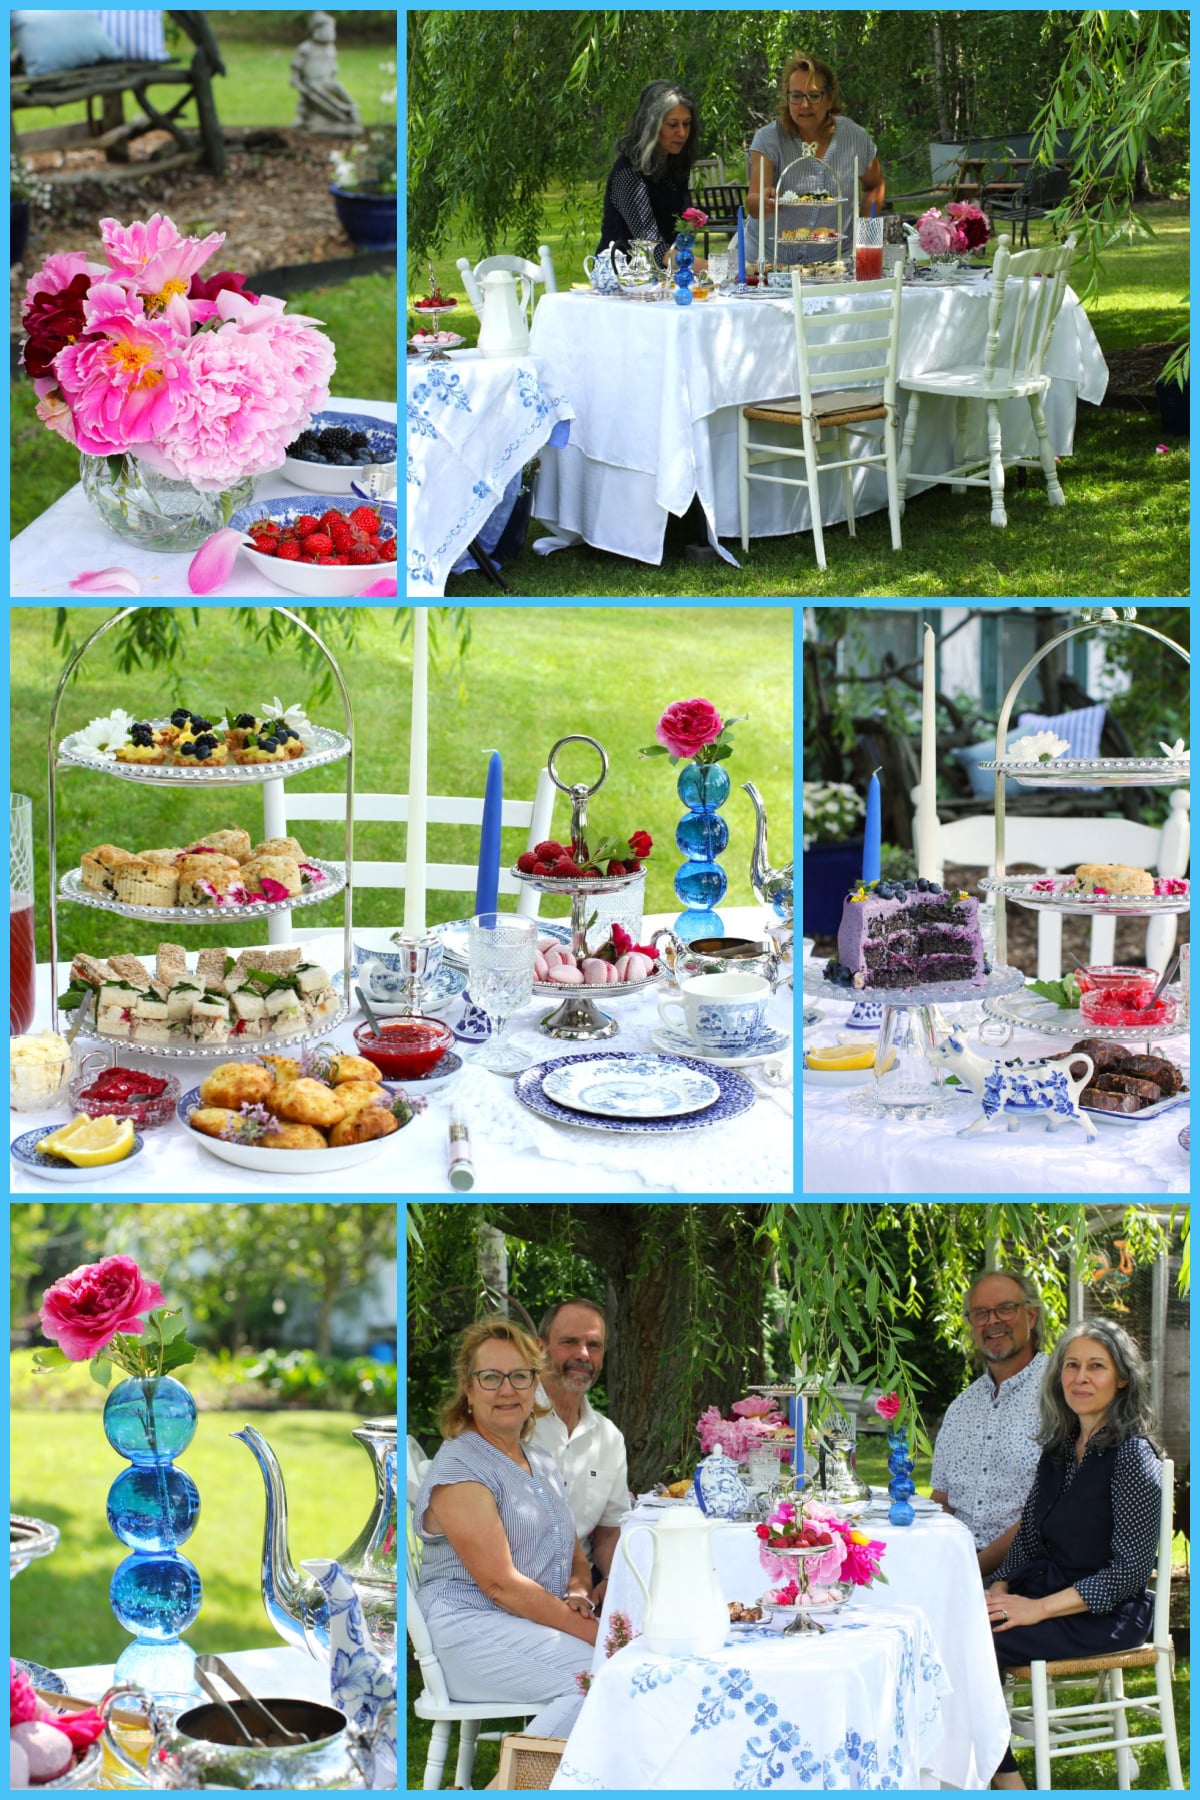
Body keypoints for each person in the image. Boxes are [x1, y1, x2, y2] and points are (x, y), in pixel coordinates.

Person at [985, 1319, 1164, 1790]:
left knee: (974, 1645)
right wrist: (1000, 1586)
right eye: (1072, 1366)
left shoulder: (1133, 1457)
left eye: (1096, 1367)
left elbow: (1128, 1573)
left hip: (1105, 1612)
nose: (1080, 1378)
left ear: (1122, 1378)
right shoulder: (1061, 1450)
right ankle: (966, 1767)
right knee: (953, 1622)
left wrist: (1034, 1609)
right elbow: (1029, 1539)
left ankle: (1004, 1781)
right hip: (1047, 1591)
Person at [412, 1318, 598, 1741]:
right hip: (467, 1632)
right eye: (491, 1377)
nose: (507, 1389)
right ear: (468, 1387)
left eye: (519, 1376)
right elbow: (501, 1586)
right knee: (599, 1679)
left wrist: (578, 1594)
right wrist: (597, 1635)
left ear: (536, 1384)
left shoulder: (541, 1461)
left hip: (527, 1625)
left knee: (621, 1671)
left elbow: (572, 1555)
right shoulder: (461, 1467)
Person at [931, 1271, 1048, 1575]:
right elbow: (941, 1500)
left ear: (1031, 1316)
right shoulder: (961, 1408)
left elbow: (1050, 1511)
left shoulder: (1061, 1396)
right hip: (957, 1567)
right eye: (981, 1313)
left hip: (1031, 1577)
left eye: (1006, 1309)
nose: (993, 1321)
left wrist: (971, 1570)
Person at [530, 1299, 629, 1605]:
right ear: (540, 1347)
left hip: (582, 1593)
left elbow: (608, 1535)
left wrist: (614, 1582)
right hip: (519, 1587)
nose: (583, 1355)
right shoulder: (514, 1421)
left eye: (594, 1345)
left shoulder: (609, 1438)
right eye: (569, 1342)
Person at [745, 53, 885, 265]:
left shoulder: (854, 137)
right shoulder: (768, 139)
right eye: (796, 96)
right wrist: (764, 200)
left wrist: (864, 240)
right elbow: (753, 204)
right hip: (770, 262)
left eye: (814, 96)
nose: (804, 105)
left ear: (829, 99)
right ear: (787, 98)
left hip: (834, 263)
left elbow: (875, 186)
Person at [597, 80, 701, 269]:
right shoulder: (627, 173)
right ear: (651, 126)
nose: (682, 133)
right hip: (624, 277)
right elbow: (651, 246)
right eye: (672, 125)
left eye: (686, 124)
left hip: (664, 278)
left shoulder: (674, 168)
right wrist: (716, 268)